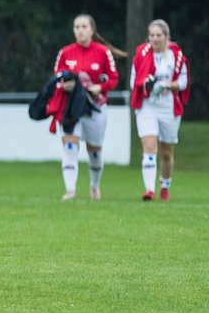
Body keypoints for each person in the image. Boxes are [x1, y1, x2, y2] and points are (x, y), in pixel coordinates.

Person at [47, 14, 124, 201]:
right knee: (70, 146)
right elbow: (57, 77)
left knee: (95, 151)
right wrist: (64, 85)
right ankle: (70, 190)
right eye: (76, 27)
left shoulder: (103, 52)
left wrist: (100, 87)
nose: (80, 30)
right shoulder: (65, 53)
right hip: (71, 108)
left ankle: (94, 186)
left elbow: (114, 78)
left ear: (92, 30)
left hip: (95, 108)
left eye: (83, 27)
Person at [130, 19, 190, 201]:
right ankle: (149, 190)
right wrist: (146, 85)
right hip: (148, 105)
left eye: (159, 35)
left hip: (168, 106)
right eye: (152, 35)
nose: (155, 39)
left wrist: (165, 85)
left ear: (166, 37)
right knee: (149, 146)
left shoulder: (176, 57)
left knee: (166, 152)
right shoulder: (141, 55)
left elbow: (183, 82)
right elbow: (134, 82)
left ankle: (165, 186)